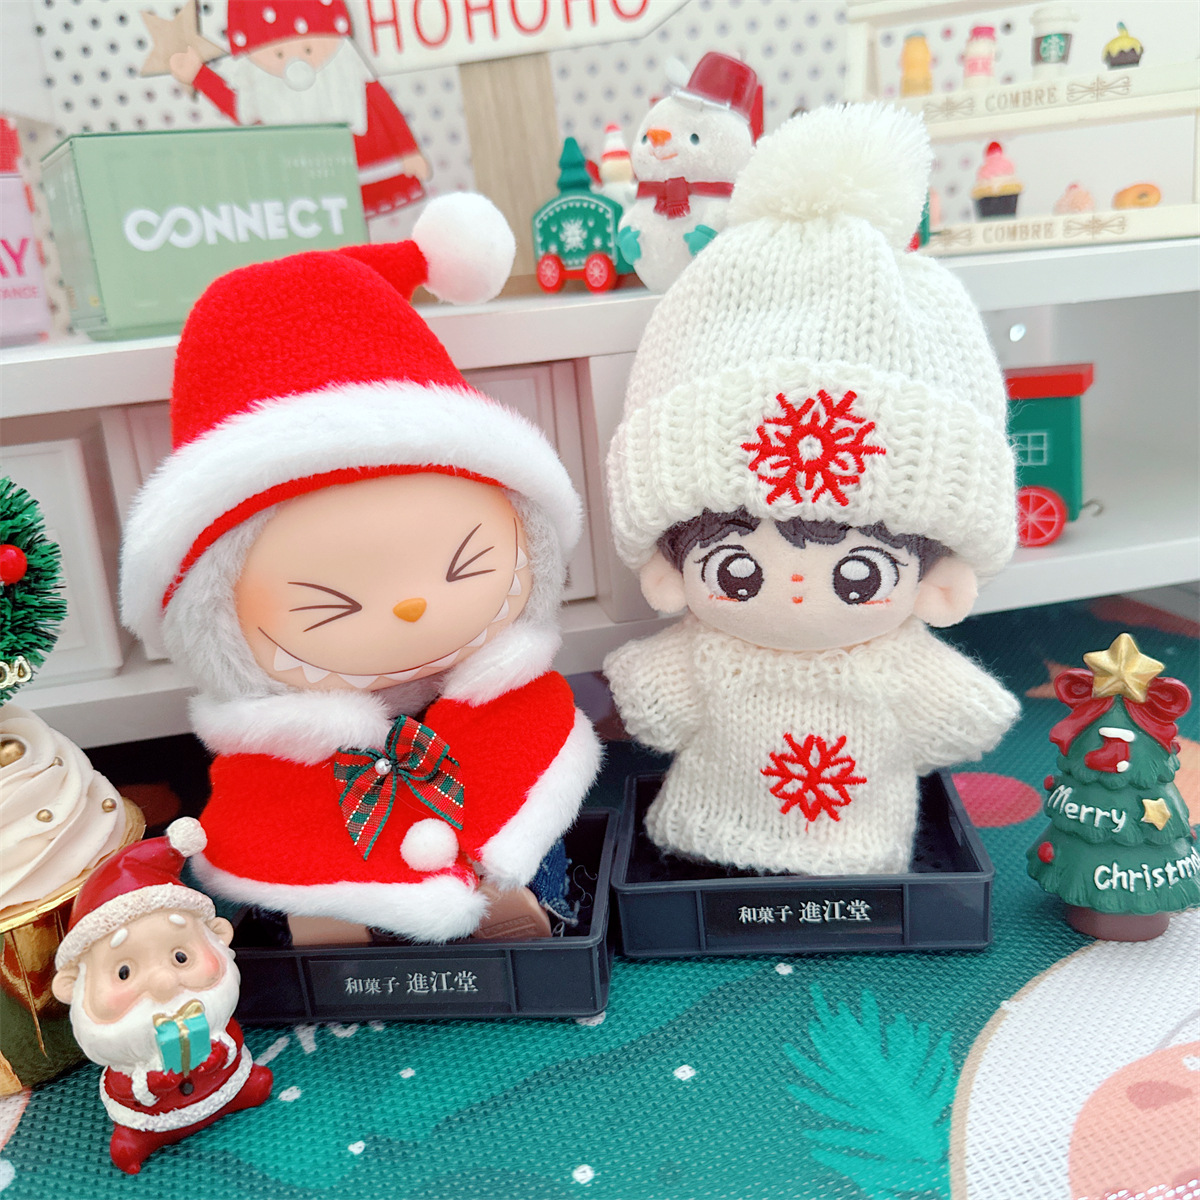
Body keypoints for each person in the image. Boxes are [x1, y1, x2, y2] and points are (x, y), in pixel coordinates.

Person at [118, 195, 600, 943]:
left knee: (525, 808)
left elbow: (526, 748)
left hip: (487, 821)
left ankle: (519, 904)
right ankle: (326, 925)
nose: (411, 607)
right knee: (295, 847)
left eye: (462, 567)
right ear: (217, 616)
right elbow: (264, 810)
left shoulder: (509, 698)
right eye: (333, 603)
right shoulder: (277, 749)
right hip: (325, 812)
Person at [604, 104, 1021, 876]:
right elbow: (651, 703)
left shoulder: (896, 665)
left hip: (860, 852)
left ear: (939, 583)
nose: (796, 591)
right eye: (737, 569)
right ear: (669, 568)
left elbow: (968, 715)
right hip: (707, 829)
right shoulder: (710, 657)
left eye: (859, 573)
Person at [51, 819, 273, 1175]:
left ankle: (241, 1090)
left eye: (181, 957)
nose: (164, 982)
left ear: (218, 935)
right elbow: (124, 1084)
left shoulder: (211, 1012)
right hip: (151, 1116)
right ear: (73, 985)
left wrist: (220, 1051)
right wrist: (151, 1081)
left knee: (251, 1080)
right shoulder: (126, 1049)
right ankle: (141, 1139)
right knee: (130, 1141)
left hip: (223, 1084)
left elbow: (229, 1034)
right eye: (124, 972)